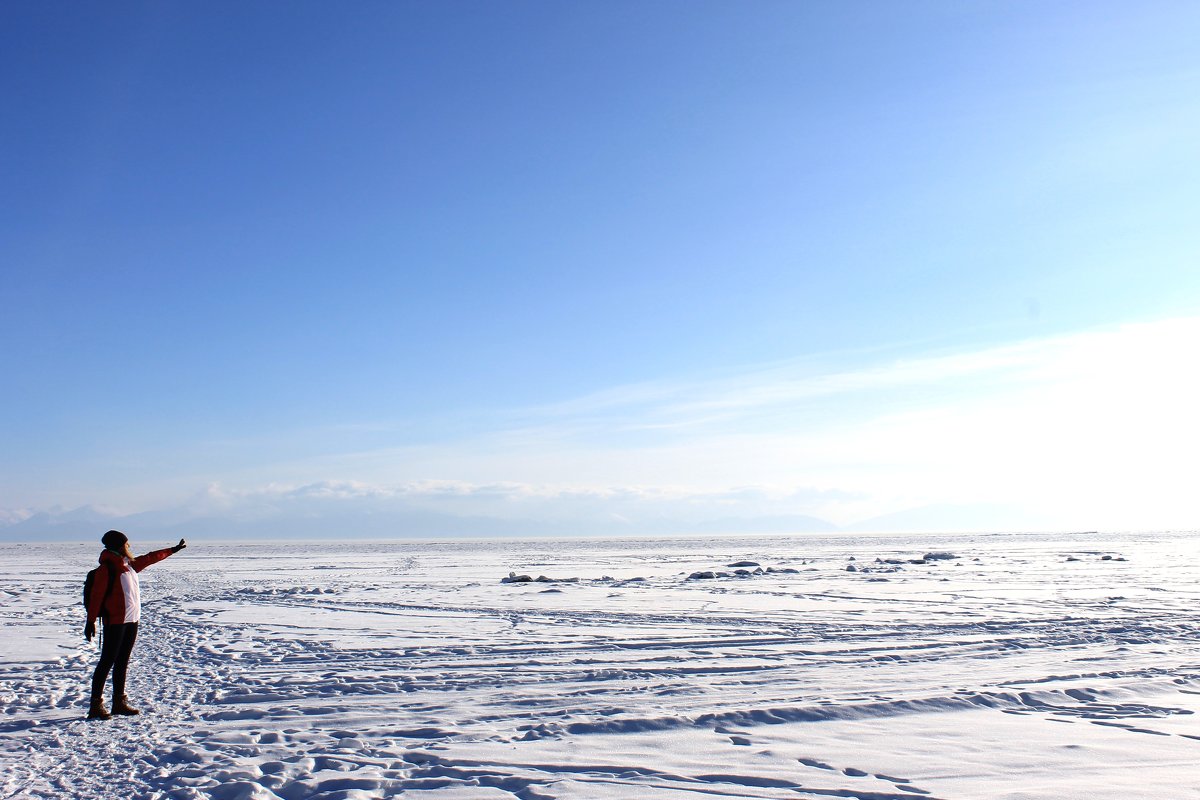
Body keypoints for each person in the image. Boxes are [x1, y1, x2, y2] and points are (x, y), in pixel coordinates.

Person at [84, 529, 187, 720]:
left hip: (132, 619)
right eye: (126, 542)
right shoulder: (108, 568)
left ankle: (119, 702)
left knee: (122, 661)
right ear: (119, 545)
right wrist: (90, 621)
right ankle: (95, 705)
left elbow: (150, 558)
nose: (129, 545)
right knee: (107, 661)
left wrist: (173, 550)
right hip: (115, 621)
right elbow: (97, 596)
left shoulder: (128, 565)